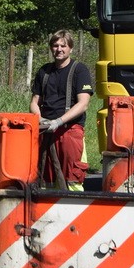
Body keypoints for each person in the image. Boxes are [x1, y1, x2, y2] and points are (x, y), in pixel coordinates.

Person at [29, 30, 93, 191]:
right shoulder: (44, 71)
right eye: (55, 45)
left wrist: (59, 121)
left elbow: (83, 103)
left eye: (63, 46)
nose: (59, 49)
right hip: (46, 132)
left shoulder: (80, 70)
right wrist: (40, 119)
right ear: (51, 48)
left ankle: (74, 211)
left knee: (73, 180)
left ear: (70, 48)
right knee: (46, 178)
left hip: (70, 131)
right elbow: (34, 102)